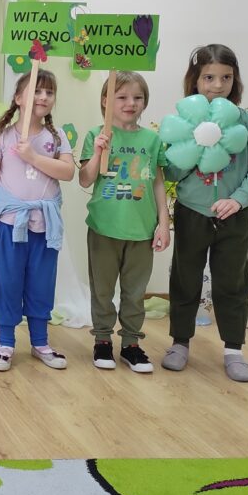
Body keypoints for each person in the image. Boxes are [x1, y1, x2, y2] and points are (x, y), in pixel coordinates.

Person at [162, 45, 248, 382]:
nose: (218, 85)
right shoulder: (182, 123)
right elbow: (170, 172)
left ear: (235, 80)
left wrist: (237, 200)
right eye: (209, 77)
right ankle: (180, 342)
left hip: (233, 216)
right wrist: (194, 148)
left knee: (232, 280)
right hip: (192, 211)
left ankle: (233, 349)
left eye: (226, 77)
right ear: (195, 80)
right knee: (185, 277)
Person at [0, 69, 75, 372]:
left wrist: (33, 156)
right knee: (7, 281)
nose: (43, 97)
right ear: (19, 98)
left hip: (45, 226)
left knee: (41, 282)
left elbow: (67, 172)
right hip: (9, 223)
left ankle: (40, 342)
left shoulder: (56, 138)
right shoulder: (2, 136)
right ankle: (5, 342)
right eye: (36, 91)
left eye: (49, 92)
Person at [78, 72, 170, 373]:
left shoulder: (152, 140)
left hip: (141, 230)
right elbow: (85, 179)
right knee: (102, 290)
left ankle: (131, 343)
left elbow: (157, 182)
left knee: (135, 292)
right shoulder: (96, 135)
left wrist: (163, 222)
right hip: (104, 227)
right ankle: (102, 340)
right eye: (122, 97)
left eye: (137, 97)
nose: (131, 103)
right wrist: (98, 152)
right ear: (106, 101)